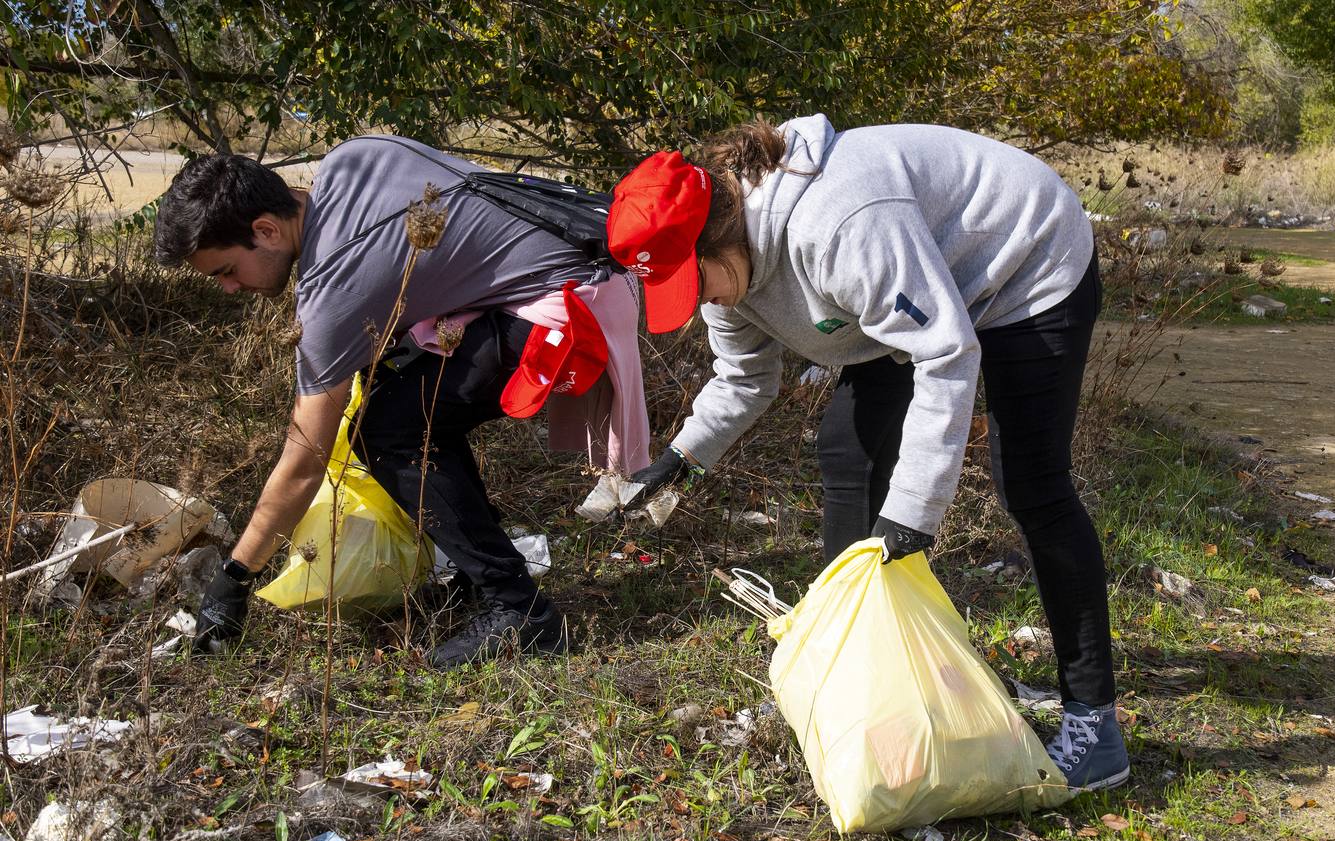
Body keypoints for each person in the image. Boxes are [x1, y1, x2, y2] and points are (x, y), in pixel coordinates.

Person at [607, 115, 1127, 791]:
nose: (698, 297)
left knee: (1031, 485)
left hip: (1024, 259)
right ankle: (853, 678)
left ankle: (1094, 724)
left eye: (693, 278)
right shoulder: (725, 270)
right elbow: (742, 379)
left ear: (718, 232)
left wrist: (912, 513)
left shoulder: (840, 224)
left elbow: (944, 352)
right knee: (846, 453)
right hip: (916, 289)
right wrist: (678, 458)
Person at [153, 135, 647, 668]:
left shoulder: (332, 290)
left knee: (388, 431)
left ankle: (519, 611)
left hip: (571, 307)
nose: (229, 288)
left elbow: (304, 461)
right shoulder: (352, 158)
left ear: (266, 230)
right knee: (404, 410)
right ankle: (476, 573)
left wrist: (236, 577)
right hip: (593, 264)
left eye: (226, 271)